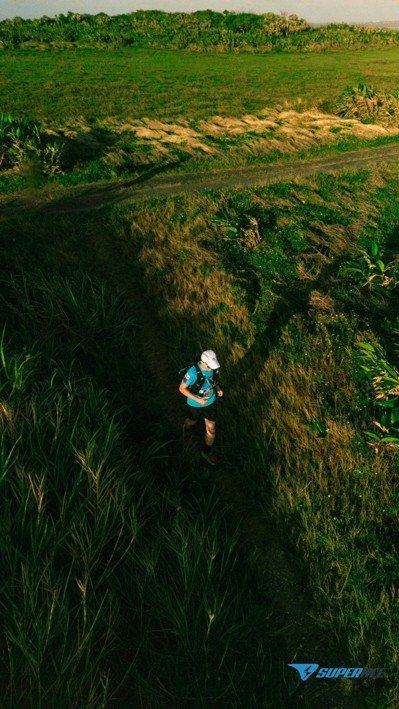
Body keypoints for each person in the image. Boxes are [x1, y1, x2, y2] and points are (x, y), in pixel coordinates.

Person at [179, 349, 223, 465]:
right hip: (195, 405)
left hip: (211, 404)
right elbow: (181, 388)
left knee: (211, 429)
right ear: (203, 362)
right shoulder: (192, 373)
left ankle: (207, 452)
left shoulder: (213, 369)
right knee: (191, 421)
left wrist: (217, 389)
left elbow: (213, 381)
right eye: (209, 366)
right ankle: (187, 429)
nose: (212, 369)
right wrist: (198, 399)